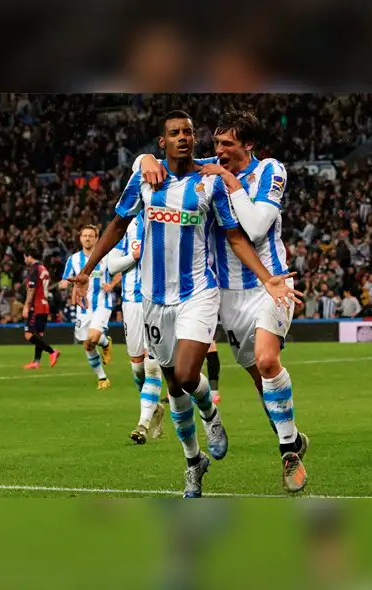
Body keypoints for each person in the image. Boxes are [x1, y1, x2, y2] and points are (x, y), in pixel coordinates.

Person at [71, 110, 300, 498]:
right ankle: (194, 462)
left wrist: (267, 278)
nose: (184, 138)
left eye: (189, 133)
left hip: (200, 292)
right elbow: (117, 223)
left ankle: (215, 416)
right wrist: (85, 271)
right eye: (174, 133)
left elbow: (236, 236)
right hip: (153, 298)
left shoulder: (210, 179)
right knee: (174, 384)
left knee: (189, 374)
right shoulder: (146, 176)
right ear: (162, 142)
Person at [136, 109, 311, 493]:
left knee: (268, 361)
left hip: (270, 284)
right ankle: (293, 437)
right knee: (259, 380)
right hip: (227, 297)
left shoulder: (269, 171)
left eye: (227, 144)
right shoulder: (209, 169)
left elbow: (255, 227)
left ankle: (288, 450)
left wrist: (230, 180)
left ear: (247, 144)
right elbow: (161, 162)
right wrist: (146, 158)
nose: (219, 151)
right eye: (215, 144)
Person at [107, 215, 165, 444]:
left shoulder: (166, 218)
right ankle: (155, 408)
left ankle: (143, 424)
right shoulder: (127, 223)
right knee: (138, 370)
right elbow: (112, 266)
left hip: (159, 302)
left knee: (152, 366)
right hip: (132, 303)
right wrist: (134, 256)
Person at [59, 225, 115, 389]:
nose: (87, 238)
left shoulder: (105, 257)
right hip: (82, 308)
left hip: (102, 304)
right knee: (87, 344)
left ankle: (103, 342)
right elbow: (65, 279)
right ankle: (102, 378)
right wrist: (63, 285)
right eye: (84, 235)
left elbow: (119, 272)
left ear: (97, 238)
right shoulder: (74, 259)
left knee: (94, 337)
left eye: (91, 235)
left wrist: (111, 284)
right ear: (80, 238)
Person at [21, 252, 61, 369]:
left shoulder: (34, 269)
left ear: (29, 256)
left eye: (25, 257)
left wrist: (26, 306)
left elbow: (31, 290)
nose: (24, 261)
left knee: (28, 335)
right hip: (44, 305)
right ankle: (36, 361)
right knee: (38, 335)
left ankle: (52, 351)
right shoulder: (43, 268)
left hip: (36, 306)